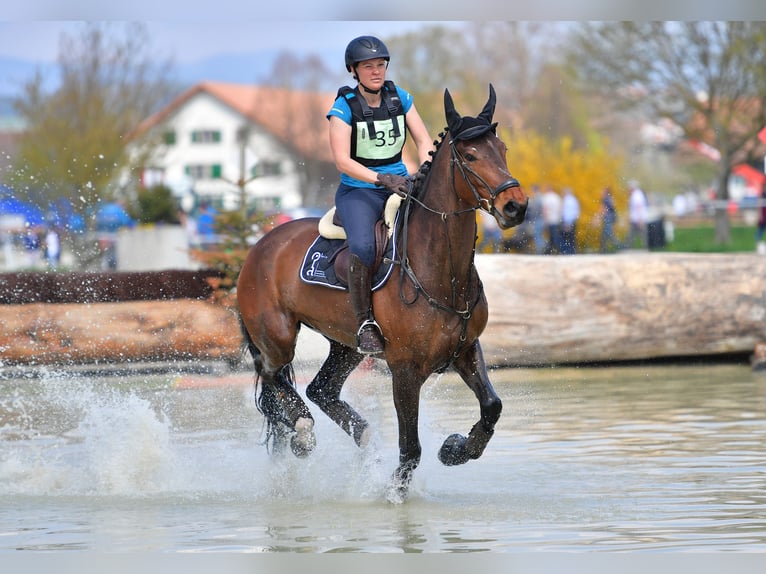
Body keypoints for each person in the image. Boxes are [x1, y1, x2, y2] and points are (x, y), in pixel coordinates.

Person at [327, 35, 434, 354]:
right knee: (363, 245)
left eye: (381, 65)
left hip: (402, 183)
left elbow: (424, 141)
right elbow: (342, 160)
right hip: (359, 191)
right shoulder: (342, 108)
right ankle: (365, 323)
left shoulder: (400, 97)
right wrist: (381, 178)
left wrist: (425, 169)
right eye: (368, 66)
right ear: (354, 71)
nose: (376, 71)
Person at [626, 180, 648, 249]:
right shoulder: (636, 194)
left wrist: (640, 219)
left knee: (638, 234)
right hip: (636, 218)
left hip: (637, 219)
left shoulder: (637, 195)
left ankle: (643, 248)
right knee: (635, 234)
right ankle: (631, 247)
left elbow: (639, 206)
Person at [541, 185, 562, 254]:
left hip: (550, 219)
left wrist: (545, 220)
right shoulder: (557, 197)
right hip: (556, 219)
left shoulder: (546, 197)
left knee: (552, 236)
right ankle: (554, 250)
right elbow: (560, 209)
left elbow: (545, 209)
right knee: (554, 235)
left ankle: (553, 251)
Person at [560, 187, 580, 255]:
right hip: (573, 220)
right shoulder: (574, 199)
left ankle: (568, 252)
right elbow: (577, 211)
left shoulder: (566, 200)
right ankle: (572, 251)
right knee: (572, 237)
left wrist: (567, 222)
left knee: (567, 237)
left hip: (568, 221)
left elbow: (566, 212)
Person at [598, 186, 619, 253]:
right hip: (611, 218)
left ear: (606, 192)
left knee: (609, 233)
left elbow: (603, 209)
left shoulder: (605, 199)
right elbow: (613, 209)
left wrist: (597, 218)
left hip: (608, 218)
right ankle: (603, 250)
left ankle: (618, 246)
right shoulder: (610, 199)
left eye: (602, 191)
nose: (601, 192)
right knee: (605, 234)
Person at [756, 182, 766, 255]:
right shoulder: (762, 195)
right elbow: (759, 206)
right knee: (760, 231)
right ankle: (758, 244)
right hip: (763, 216)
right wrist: (760, 215)